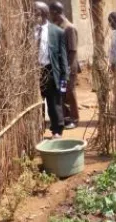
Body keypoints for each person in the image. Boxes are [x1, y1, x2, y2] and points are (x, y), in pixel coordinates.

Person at [34, 1, 68, 138]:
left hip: (51, 70)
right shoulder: (29, 30)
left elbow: (63, 56)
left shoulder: (57, 32)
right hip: (34, 71)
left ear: (44, 14)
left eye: (35, 12)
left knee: (54, 102)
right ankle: (37, 129)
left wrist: (64, 78)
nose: (32, 14)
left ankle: (57, 130)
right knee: (36, 103)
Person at [49, 2, 80, 129]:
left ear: (56, 12)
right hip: (60, 68)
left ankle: (74, 118)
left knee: (70, 92)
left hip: (68, 68)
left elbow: (72, 50)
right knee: (62, 92)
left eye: (50, 13)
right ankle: (66, 117)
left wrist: (66, 68)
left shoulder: (69, 28)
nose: (50, 15)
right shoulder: (57, 26)